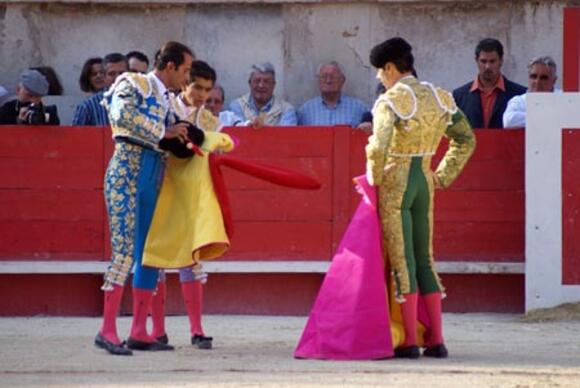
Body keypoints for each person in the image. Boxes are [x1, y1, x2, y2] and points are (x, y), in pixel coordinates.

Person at [296, 37, 476, 361]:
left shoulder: (390, 101)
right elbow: (466, 140)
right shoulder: (440, 97)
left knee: (402, 260)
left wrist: (373, 183)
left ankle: (408, 339)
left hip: (397, 185)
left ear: (391, 68)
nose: (380, 77)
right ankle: (436, 339)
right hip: (424, 181)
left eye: (380, 71)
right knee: (425, 258)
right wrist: (442, 176)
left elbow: (378, 147)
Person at [94, 41, 194, 356]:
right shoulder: (132, 81)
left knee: (150, 254)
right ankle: (107, 330)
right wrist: (163, 132)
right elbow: (121, 115)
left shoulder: (171, 101)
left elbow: (180, 138)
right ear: (170, 66)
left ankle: (139, 330)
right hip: (126, 173)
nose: (187, 77)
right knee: (124, 252)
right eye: (186, 70)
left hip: (154, 177)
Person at [149, 60, 230, 350]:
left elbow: (214, 148)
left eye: (207, 90)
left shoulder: (207, 119)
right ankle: (158, 331)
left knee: (191, 259)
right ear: (185, 82)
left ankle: (196, 330)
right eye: (197, 87)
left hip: (188, 193)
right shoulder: (164, 106)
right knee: (157, 259)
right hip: (159, 187)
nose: (202, 95)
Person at [453, 38, 526, 129]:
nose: (488, 66)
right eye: (483, 61)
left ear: (501, 61)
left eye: (492, 61)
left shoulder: (520, 95)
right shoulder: (458, 97)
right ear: (476, 61)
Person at [298, 61, 368, 127]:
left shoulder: (359, 108)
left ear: (342, 80)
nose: (328, 81)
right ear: (318, 80)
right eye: (324, 77)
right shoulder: (305, 111)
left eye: (333, 77)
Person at [229, 62, 297, 127]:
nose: (261, 85)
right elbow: (236, 134)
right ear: (250, 83)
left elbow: (287, 137)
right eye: (257, 80)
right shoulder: (237, 106)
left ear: (273, 85)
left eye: (266, 81)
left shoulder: (286, 110)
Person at [503, 56, 559, 128]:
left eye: (543, 78)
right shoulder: (519, 101)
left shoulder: (564, 98)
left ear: (554, 80)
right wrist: (548, 117)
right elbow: (508, 121)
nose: (537, 82)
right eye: (533, 76)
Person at [72, 53, 128, 126]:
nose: (118, 78)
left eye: (122, 73)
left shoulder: (140, 103)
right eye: (111, 74)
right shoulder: (88, 107)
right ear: (104, 77)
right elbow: (76, 136)